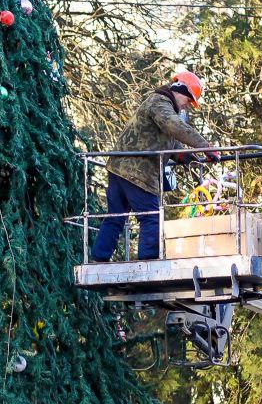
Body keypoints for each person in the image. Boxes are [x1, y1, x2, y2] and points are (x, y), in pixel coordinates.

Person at [92, 71, 220, 262]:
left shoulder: (162, 105)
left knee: (116, 217)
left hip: (120, 168)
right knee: (151, 218)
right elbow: (174, 127)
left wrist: (185, 156)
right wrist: (206, 146)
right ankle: (149, 264)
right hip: (137, 171)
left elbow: (170, 141)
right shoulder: (160, 102)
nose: (188, 106)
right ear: (180, 90)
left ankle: (99, 258)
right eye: (189, 100)